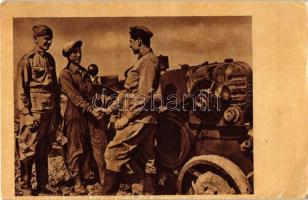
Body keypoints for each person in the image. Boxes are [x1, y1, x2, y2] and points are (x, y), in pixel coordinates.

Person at [101, 26, 161, 195]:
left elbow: (143, 95)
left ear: (138, 41)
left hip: (139, 119)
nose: (129, 45)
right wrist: (110, 109)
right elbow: (127, 92)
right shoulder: (143, 60)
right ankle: (150, 194)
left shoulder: (148, 61)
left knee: (113, 154)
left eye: (131, 41)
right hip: (145, 118)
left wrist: (127, 118)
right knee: (149, 159)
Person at [16, 25, 62, 195]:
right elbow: (21, 91)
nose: (49, 42)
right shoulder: (27, 60)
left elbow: (55, 89)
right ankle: (25, 186)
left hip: (49, 112)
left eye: (50, 39)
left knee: (43, 149)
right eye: (45, 39)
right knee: (28, 148)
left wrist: (57, 113)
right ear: (35, 39)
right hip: (34, 112)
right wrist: (26, 114)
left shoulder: (50, 59)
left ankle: (43, 186)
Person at [59, 40, 107, 195]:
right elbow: (75, 96)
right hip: (75, 116)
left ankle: (104, 180)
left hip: (90, 113)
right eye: (74, 52)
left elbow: (90, 93)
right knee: (76, 149)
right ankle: (78, 181)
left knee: (99, 145)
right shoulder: (65, 74)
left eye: (80, 51)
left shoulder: (84, 72)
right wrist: (91, 109)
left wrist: (99, 106)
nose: (78, 54)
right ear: (68, 55)